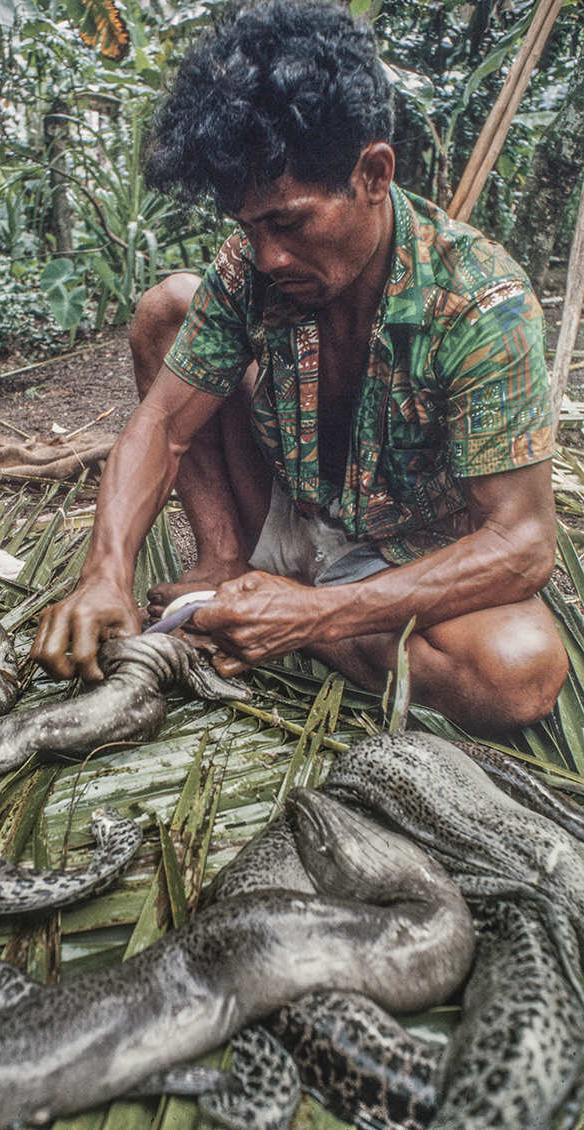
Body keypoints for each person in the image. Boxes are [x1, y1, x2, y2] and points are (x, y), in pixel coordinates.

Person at [31, 0, 568, 734]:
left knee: (516, 674)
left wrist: (318, 613)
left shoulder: (480, 304)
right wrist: (105, 571)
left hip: (398, 556)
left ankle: (294, 618)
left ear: (373, 174)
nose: (266, 256)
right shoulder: (252, 267)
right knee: (169, 306)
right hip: (285, 506)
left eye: (287, 222)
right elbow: (161, 425)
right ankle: (228, 563)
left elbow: (520, 544)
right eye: (247, 227)